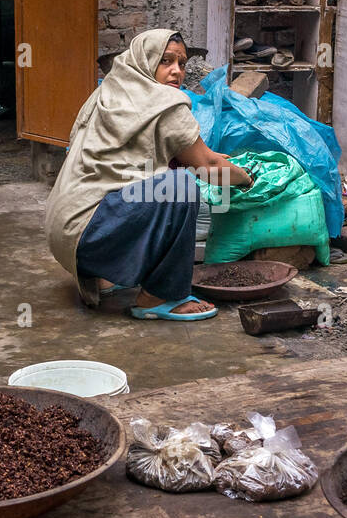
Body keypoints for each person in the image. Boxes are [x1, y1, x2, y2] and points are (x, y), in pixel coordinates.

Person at [46, 28, 252, 320]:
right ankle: (158, 297)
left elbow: (125, 160)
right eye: (165, 61)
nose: (176, 71)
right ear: (145, 62)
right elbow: (209, 167)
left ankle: (106, 277)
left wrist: (199, 159)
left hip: (64, 233)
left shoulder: (108, 92)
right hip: (91, 234)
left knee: (153, 184)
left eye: (181, 64)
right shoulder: (165, 103)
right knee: (180, 187)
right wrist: (247, 179)